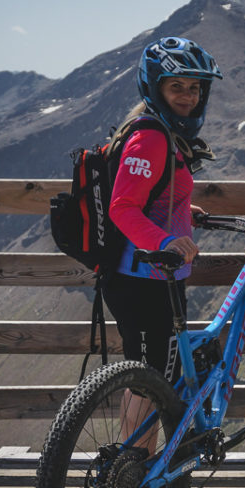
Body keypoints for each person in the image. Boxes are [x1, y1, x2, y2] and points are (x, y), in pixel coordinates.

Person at [102, 36, 223, 451]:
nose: (188, 96)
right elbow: (122, 207)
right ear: (155, 88)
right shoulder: (151, 137)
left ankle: (137, 466)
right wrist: (167, 240)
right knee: (150, 381)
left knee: (152, 377)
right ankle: (134, 474)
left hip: (154, 276)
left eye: (195, 87)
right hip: (142, 279)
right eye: (177, 87)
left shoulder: (162, 132)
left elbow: (153, 195)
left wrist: (184, 213)